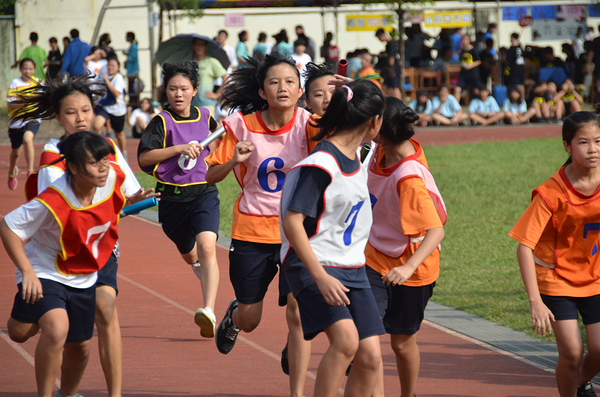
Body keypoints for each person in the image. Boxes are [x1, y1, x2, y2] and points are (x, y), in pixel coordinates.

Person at [15, 75, 153, 397]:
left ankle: (114, 394)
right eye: (71, 112)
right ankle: (44, 308)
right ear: (57, 116)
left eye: (86, 110)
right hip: (59, 252)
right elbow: (70, 209)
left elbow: (128, 192)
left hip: (100, 246)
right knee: (20, 332)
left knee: (106, 307)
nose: (80, 118)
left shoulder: (108, 148)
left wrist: (136, 198)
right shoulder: (52, 159)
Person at [205, 54, 319, 397]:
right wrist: (233, 160)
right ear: (262, 91)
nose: (282, 87)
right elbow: (209, 175)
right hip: (252, 231)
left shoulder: (310, 124)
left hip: (297, 232)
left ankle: (296, 391)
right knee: (251, 320)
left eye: (289, 82)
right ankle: (235, 315)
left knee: (299, 313)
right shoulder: (239, 126)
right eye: (274, 82)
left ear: (300, 90)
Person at [279, 79, 385, 397]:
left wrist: (355, 85)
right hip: (314, 265)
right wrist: (320, 277)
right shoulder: (323, 163)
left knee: (370, 357)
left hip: (352, 267)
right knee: (346, 340)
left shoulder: (356, 154)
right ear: (373, 122)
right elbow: (292, 221)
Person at [509, 111, 600, 397]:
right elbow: (524, 245)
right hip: (555, 278)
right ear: (567, 146)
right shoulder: (551, 192)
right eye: (583, 142)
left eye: (598, 141)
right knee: (572, 353)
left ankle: (580, 384)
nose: (593, 149)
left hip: (593, 276)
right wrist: (535, 301)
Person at [366, 97, 446, 397]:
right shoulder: (381, 150)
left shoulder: (407, 177)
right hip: (374, 255)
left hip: (412, 266)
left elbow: (436, 231)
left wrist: (408, 267)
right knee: (367, 335)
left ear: (377, 127)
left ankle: (407, 394)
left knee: (401, 342)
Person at [138, 60, 222, 341]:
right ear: (166, 91)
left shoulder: (206, 117)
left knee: (208, 246)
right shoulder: (161, 122)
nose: (178, 94)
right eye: (172, 88)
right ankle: (198, 266)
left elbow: (218, 147)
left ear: (194, 90)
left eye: (184, 88)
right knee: (191, 254)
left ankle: (208, 310)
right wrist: (178, 149)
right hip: (172, 200)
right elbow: (144, 159)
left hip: (203, 194)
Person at [7, 58, 42, 190]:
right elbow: (11, 104)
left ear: (34, 70)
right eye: (25, 68)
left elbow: (44, 97)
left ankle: (30, 170)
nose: (27, 71)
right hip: (16, 122)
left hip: (33, 118)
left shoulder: (38, 82)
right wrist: (27, 100)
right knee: (15, 153)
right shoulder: (15, 83)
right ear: (20, 69)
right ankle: (11, 173)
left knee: (28, 139)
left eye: (30, 68)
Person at [92, 56, 128, 154]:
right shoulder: (103, 75)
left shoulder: (118, 78)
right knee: (96, 125)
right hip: (104, 107)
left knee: (118, 133)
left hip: (117, 110)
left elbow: (116, 94)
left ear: (118, 68)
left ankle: (123, 152)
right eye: (109, 65)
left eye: (113, 66)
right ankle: (101, 149)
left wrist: (107, 81)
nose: (110, 68)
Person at [191, 37, 228, 116]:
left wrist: (217, 94)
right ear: (193, 46)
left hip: (207, 104)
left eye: (202, 45)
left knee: (207, 128)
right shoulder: (191, 63)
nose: (199, 47)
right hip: (192, 104)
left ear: (206, 47)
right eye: (197, 44)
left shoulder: (211, 61)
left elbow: (226, 77)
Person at [454, 34, 481, 102]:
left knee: (476, 90)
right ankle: (456, 106)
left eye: (465, 40)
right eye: (462, 40)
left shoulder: (473, 50)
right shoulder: (462, 51)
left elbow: (478, 61)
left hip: (473, 74)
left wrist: (470, 66)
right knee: (457, 89)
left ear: (469, 40)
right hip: (464, 74)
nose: (463, 42)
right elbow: (461, 61)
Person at [504, 33, 526, 99]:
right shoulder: (520, 46)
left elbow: (509, 59)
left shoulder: (512, 48)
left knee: (517, 84)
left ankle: (521, 99)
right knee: (520, 84)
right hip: (521, 68)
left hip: (515, 69)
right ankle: (522, 98)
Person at [123, 31, 140, 107]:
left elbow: (133, 58)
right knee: (131, 87)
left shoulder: (133, 46)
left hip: (132, 70)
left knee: (132, 88)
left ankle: (133, 103)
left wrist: (126, 56)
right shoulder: (133, 45)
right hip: (131, 70)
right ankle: (132, 101)